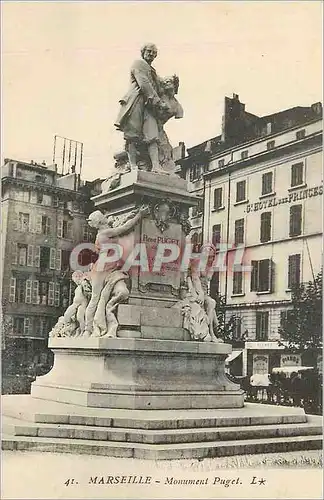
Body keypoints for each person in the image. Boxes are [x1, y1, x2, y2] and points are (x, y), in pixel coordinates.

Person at [84, 205, 150, 336]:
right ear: (100, 220)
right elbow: (124, 228)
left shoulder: (105, 231)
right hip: (103, 268)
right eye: (102, 216)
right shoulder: (105, 233)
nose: (105, 216)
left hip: (108, 267)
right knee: (95, 298)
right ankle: (87, 329)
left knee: (97, 297)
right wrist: (139, 215)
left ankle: (90, 328)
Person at [115, 43, 168, 172]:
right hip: (137, 102)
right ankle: (133, 165)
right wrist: (158, 102)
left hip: (149, 106)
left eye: (154, 53)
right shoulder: (138, 64)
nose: (151, 54)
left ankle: (156, 166)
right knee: (132, 135)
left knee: (152, 135)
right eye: (149, 51)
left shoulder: (152, 70)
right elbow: (144, 84)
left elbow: (159, 85)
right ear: (143, 52)